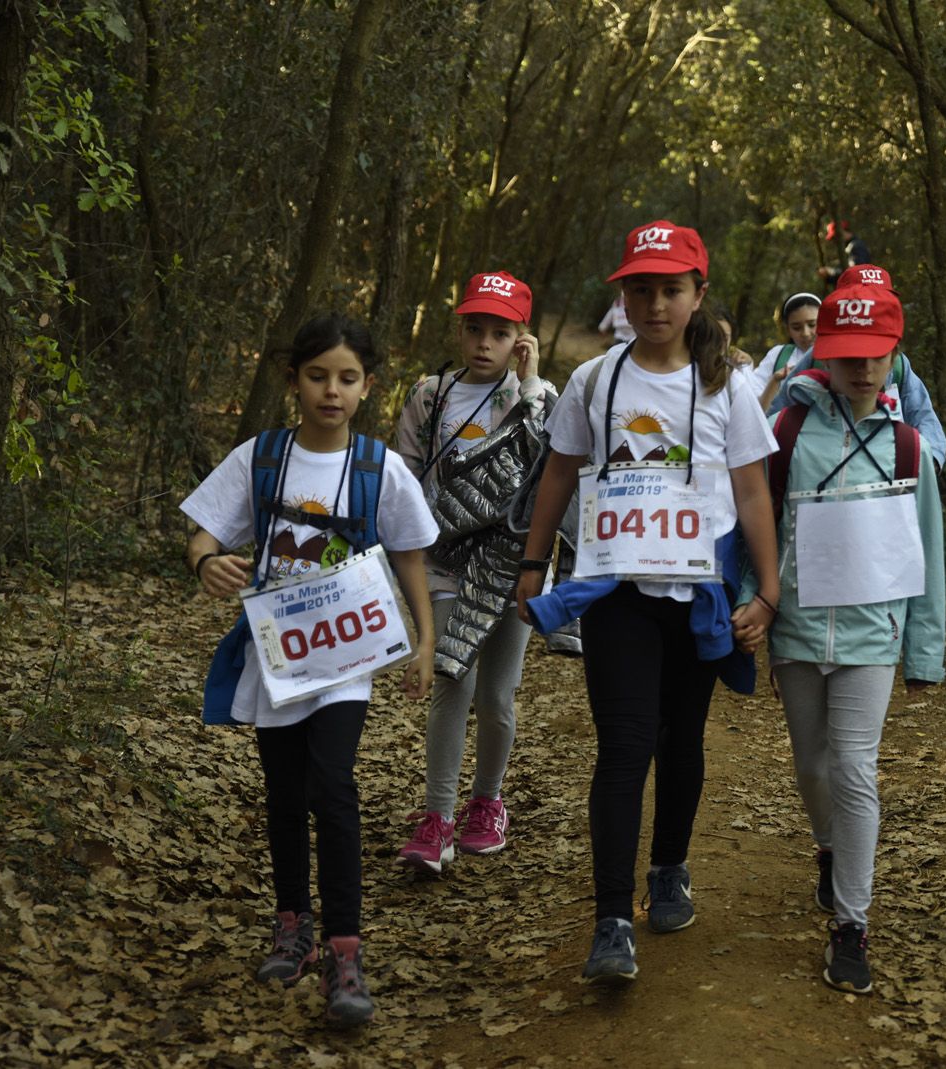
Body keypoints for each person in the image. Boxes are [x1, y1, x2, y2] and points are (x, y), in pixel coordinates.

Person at [512, 219, 780, 984]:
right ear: (622, 295)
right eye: (640, 288)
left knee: (683, 738)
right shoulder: (597, 381)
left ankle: (669, 866)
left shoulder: (727, 384)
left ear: (697, 294)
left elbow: (753, 489)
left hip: (698, 593)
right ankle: (611, 920)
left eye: (670, 288)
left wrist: (768, 588)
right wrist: (535, 561)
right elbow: (560, 472)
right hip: (617, 593)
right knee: (626, 745)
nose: (654, 302)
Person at [182, 314, 438, 1027]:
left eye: (347, 378)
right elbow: (203, 528)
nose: (332, 390)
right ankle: (291, 921)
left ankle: (345, 947)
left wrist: (424, 638)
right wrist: (207, 559)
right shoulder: (261, 458)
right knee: (284, 793)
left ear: (367, 387)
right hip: (277, 659)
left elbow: (412, 552)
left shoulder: (378, 466)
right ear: (293, 380)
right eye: (318, 375)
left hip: (346, 660)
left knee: (333, 787)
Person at [735, 282, 945, 995]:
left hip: (872, 636)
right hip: (795, 629)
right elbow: (753, 529)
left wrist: (925, 650)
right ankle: (827, 848)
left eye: (876, 356)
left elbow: (929, 553)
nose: (861, 369)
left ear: (894, 356)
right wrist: (752, 601)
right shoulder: (789, 431)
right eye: (848, 355)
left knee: (854, 769)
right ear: (823, 353)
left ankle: (851, 924)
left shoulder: (910, 444)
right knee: (811, 767)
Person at [393, 271, 555, 872]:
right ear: (460, 330)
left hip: (511, 563)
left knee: (496, 695)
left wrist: (532, 377)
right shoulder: (430, 395)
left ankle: (487, 802)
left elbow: (549, 458)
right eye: (475, 328)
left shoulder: (532, 394)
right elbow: (405, 476)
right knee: (450, 682)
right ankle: (436, 817)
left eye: (500, 331)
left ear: (520, 336)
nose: (485, 342)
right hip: (444, 558)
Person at [768, 265, 946, 471]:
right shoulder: (816, 357)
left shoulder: (898, 366)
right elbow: (779, 417)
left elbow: (922, 415)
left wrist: (927, 463)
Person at [748, 291, 821, 410]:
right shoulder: (778, 355)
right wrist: (774, 381)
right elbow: (754, 402)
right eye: (796, 328)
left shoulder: (835, 357)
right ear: (787, 329)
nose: (806, 333)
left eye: (812, 325)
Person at [817, 220, 871, 287]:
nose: (835, 240)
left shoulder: (856, 246)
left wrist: (831, 271)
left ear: (842, 232)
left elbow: (856, 273)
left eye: (835, 237)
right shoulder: (848, 247)